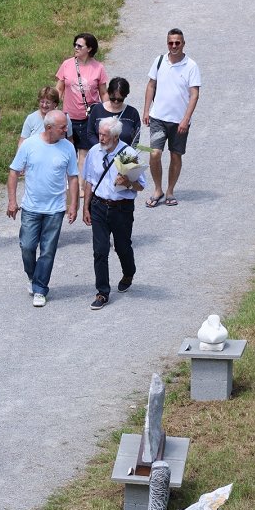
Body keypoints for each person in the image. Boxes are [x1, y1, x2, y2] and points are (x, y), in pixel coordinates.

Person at [7, 110, 79, 308]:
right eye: (62, 127)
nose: (66, 130)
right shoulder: (30, 144)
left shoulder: (68, 148)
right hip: (31, 207)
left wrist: (73, 205)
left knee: (48, 251)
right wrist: (12, 201)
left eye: (66, 126)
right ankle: (33, 276)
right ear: (49, 128)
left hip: (55, 209)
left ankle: (40, 288)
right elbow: (13, 172)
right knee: (27, 246)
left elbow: (73, 177)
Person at [82, 117, 145, 310]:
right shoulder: (94, 152)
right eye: (100, 134)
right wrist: (86, 207)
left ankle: (129, 272)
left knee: (122, 246)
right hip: (99, 206)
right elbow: (89, 181)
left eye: (105, 135)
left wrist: (126, 182)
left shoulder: (127, 153)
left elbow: (140, 186)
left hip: (121, 208)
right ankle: (102, 292)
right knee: (100, 251)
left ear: (115, 136)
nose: (101, 138)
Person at [143, 28, 200, 207]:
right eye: (170, 42)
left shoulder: (191, 66)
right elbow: (151, 85)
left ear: (183, 43)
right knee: (154, 153)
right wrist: (146, 111)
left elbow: (194, 95)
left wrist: (186, 119)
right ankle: (158, 189)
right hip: (158, 118)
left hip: (179, 121)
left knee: (176, 155)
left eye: (177, 42)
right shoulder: (159, 61)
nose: (174, 46)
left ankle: (170, 191)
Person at [55, 33, 108, 172]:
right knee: (68, 153)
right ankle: (69, 189)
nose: (76, 48)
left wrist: (107, 113)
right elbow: (59, 89)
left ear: (89, 48)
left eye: (80, 46)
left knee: (84, 153)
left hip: (88, 118)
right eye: (75, 45)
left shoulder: (98, 68)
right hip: (68, 117)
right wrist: (53, 110)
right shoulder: (67, 64)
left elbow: (103, 92)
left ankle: (81, 189)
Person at [84, 76, 142, 150]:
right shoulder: (97, 110)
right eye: (113, 98)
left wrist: (128, 155)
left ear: (125, 96)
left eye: (120, 99)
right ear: (108, 93)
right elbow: (90, 134)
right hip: (101, 152)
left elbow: (136, 138)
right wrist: (101, 148)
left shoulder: (133, 113)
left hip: (123, 156)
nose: (116, 102)